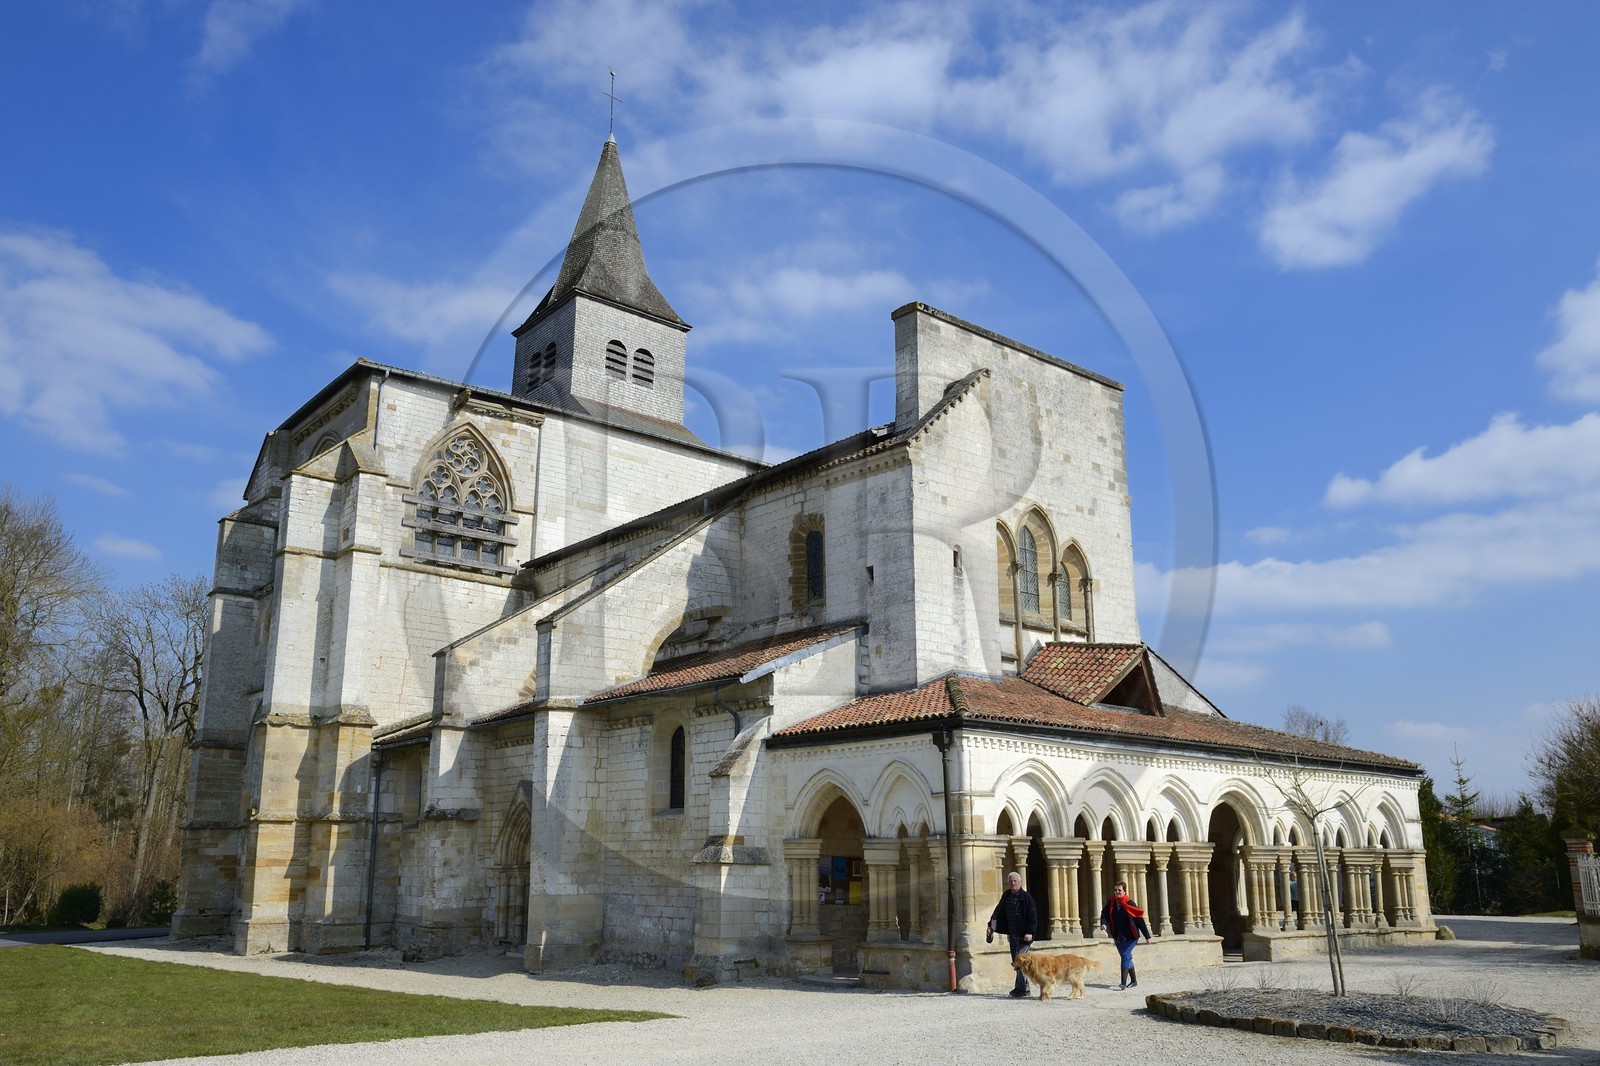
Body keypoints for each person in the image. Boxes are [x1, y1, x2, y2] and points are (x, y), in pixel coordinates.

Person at [986, 871, 1037, 998]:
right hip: (1013, 934)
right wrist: (990, 926)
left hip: (1024, 935)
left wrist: (1030, 931)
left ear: (1020, 882)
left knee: (1020, 961)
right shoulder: (1007, 895)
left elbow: (1033, 916)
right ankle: (1022, 988)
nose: (1013, 883)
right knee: (1016, 960)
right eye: (1011, 881)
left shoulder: (1026, 897)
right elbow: (998, 911)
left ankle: (1023, 989)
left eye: (1015, 881)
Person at [1098, 880, 1151, 990]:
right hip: (1118, 936)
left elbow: (1139, 920)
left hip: (1131, 936)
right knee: (1126, 958)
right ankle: (1134, 981)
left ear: (1124, 891)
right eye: (1115, 890)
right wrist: (1103, 923)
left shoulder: (1129, 903)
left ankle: (1123, 983)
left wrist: (1147, 936)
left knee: (1125, 956)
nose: (1117, 892)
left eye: (1119, 890)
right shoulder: (1112, 902)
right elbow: (1104, 913)